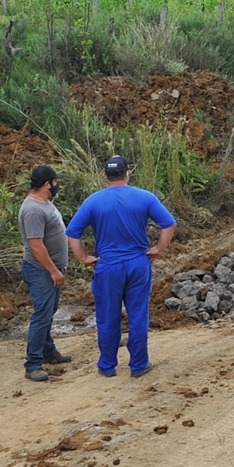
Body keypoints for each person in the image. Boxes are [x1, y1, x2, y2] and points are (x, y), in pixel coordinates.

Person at [67, 155, 177, 378]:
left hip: (108, 266)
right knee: (137, 315)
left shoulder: (94, 201)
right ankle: (138, 364)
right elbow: (169, 223)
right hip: (138, 263)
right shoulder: (145, 197)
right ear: (128, 173)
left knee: (108, 316)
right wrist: (158, 248)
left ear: (105, 175)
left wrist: (83, 258)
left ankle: (107, 365)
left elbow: (72, 232)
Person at [20, 164, 71, 382]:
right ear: (47, 184)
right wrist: (53, 270)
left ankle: (48, 351)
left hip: (52, 269)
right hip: (41, 271)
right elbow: (36, 246)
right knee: (41, 315)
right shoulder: (33, 210)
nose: (57, 185)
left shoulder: (44, 203)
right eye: (55, 182)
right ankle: (32, 365)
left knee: (49, 311)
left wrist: (61, 265)